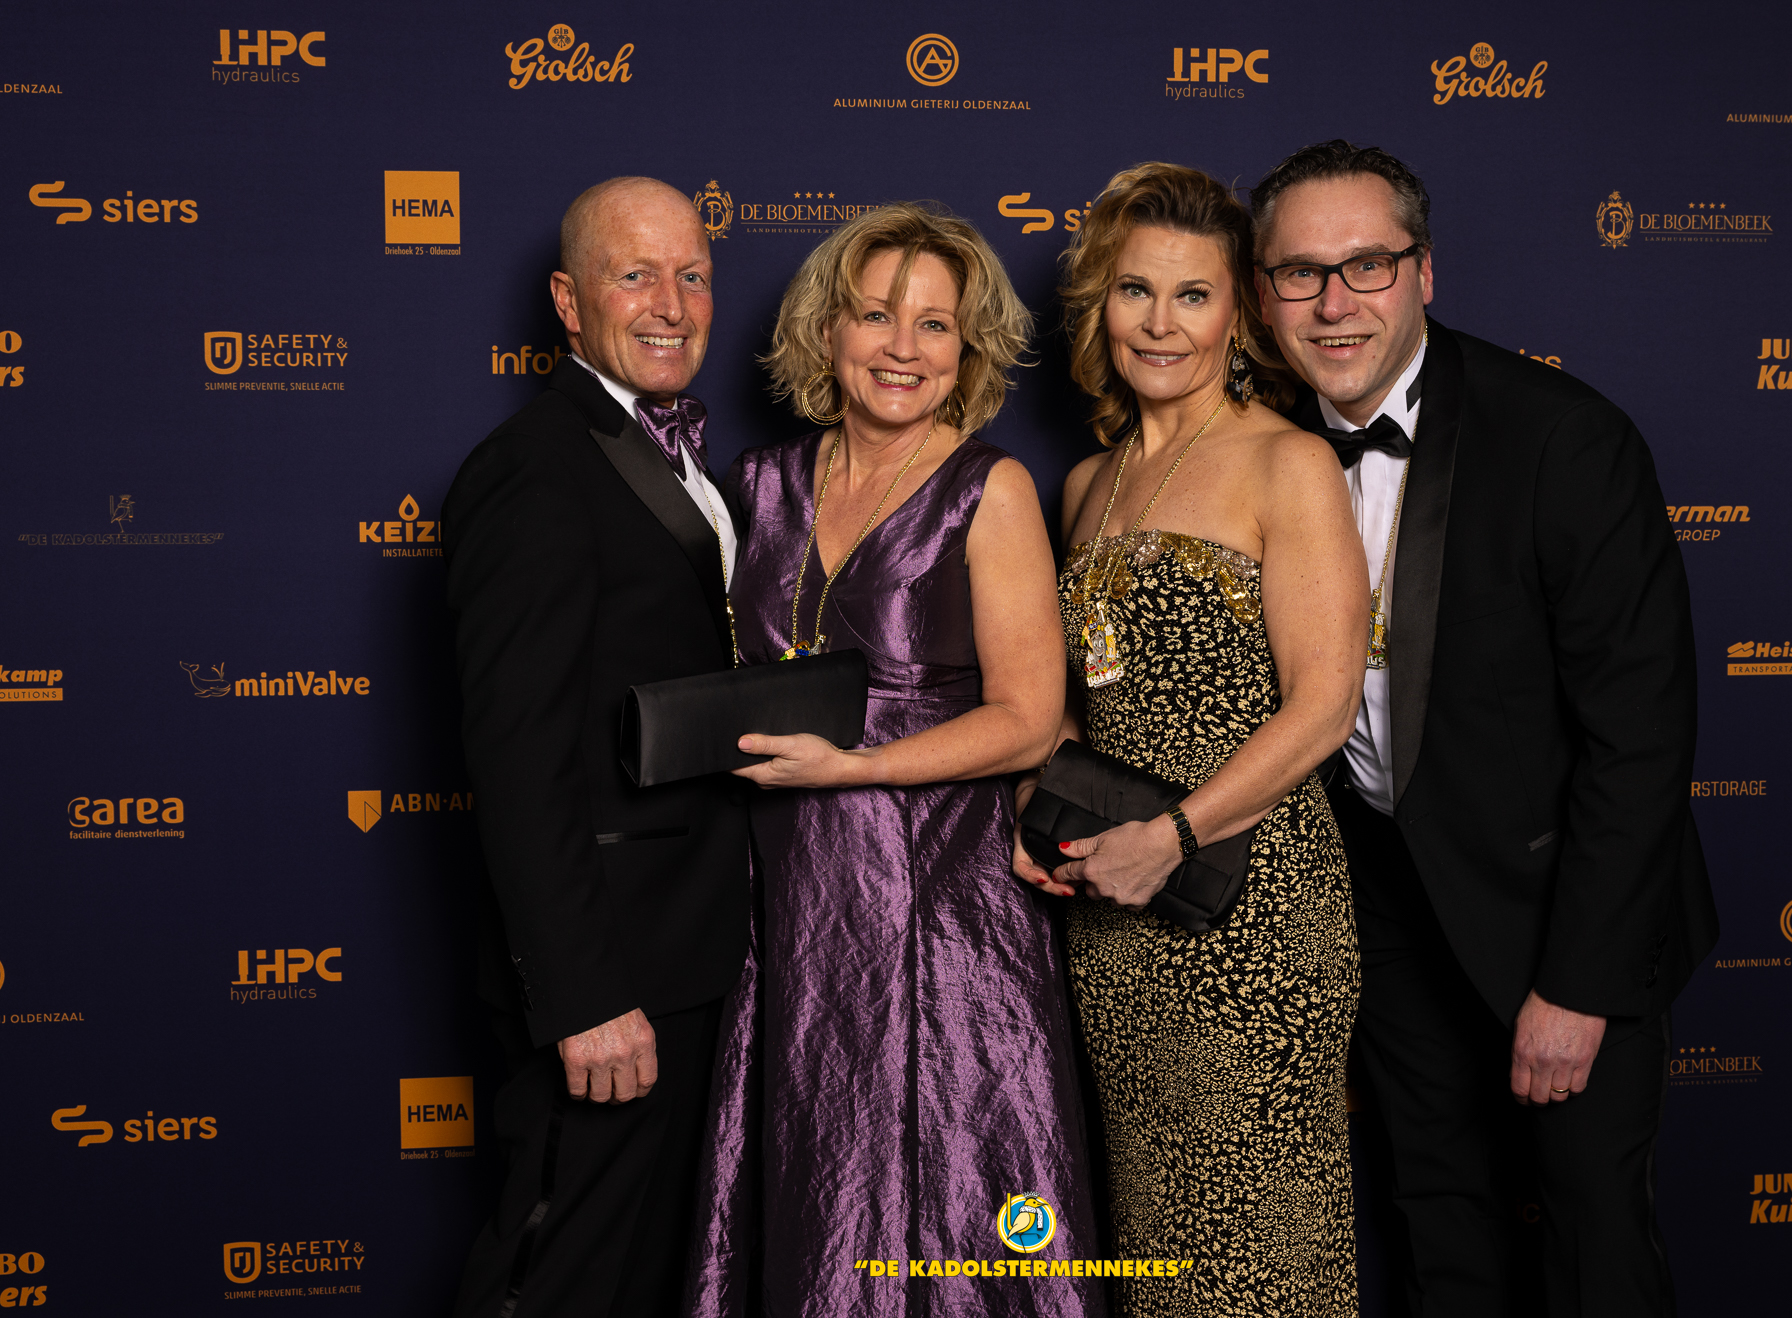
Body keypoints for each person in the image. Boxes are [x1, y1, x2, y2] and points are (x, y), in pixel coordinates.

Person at [1248, 139, 1719, 1315]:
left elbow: (1638, 741)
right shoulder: (1253, 447)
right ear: (1262, 293)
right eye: (1300, 272)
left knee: (1591, 1244)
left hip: (1556, 911)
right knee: (1437, 1220)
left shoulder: (1560, 438)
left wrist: (1578, 985)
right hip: (1385, 904)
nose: (1333, 302)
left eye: (1366, 264)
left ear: (1423, 271)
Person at [685, 202, 1105, 1318]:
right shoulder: (756, 484)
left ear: (967, 349)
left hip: (943, 894)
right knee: (817, 1166)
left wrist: (851, 768)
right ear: (827, 331)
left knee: (954, 1176)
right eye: (876, 316)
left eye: (934, 325)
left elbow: (1028, 719)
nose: (902, 348)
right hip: (791, 891)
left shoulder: (989, 488)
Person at [1014, 162, 1370, 1316]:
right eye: (1134, 291)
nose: (1159, 323)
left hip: (1251, 908)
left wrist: (1170, 834)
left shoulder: (1285, 460)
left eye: (1192, 295)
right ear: (1100, 305)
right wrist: (1036, 814)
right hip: (1116, 919)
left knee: (1260, 1250)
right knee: (1160, 1241)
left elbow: (1323, 705)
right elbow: (1085, 697)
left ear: (1239, 314)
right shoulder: (1085, 483)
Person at [444, 176, 747, 1318]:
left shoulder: (684, 464)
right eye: (635, 275)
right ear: (570, 303)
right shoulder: (533, 468)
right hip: (607, 981)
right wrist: (581, 995)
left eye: (693, 275)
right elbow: (517, 756)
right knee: (558, 1276)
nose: (671, 302)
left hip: (690, 957)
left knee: (642, 1278)